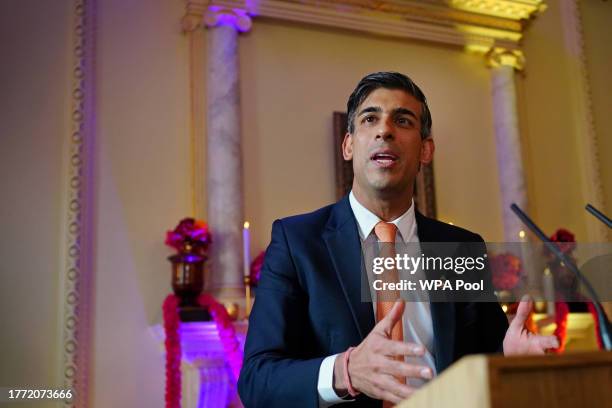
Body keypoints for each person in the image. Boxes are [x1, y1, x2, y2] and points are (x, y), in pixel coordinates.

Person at [237, 72, 558, 408]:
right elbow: (257, 380)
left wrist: (510, 357)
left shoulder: (460, 247)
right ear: (348, 145)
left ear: (425, 150)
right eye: (370, 118)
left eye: (403, 121)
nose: (385, 130)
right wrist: (345, 372)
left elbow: (482, 356)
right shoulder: (297, 242)